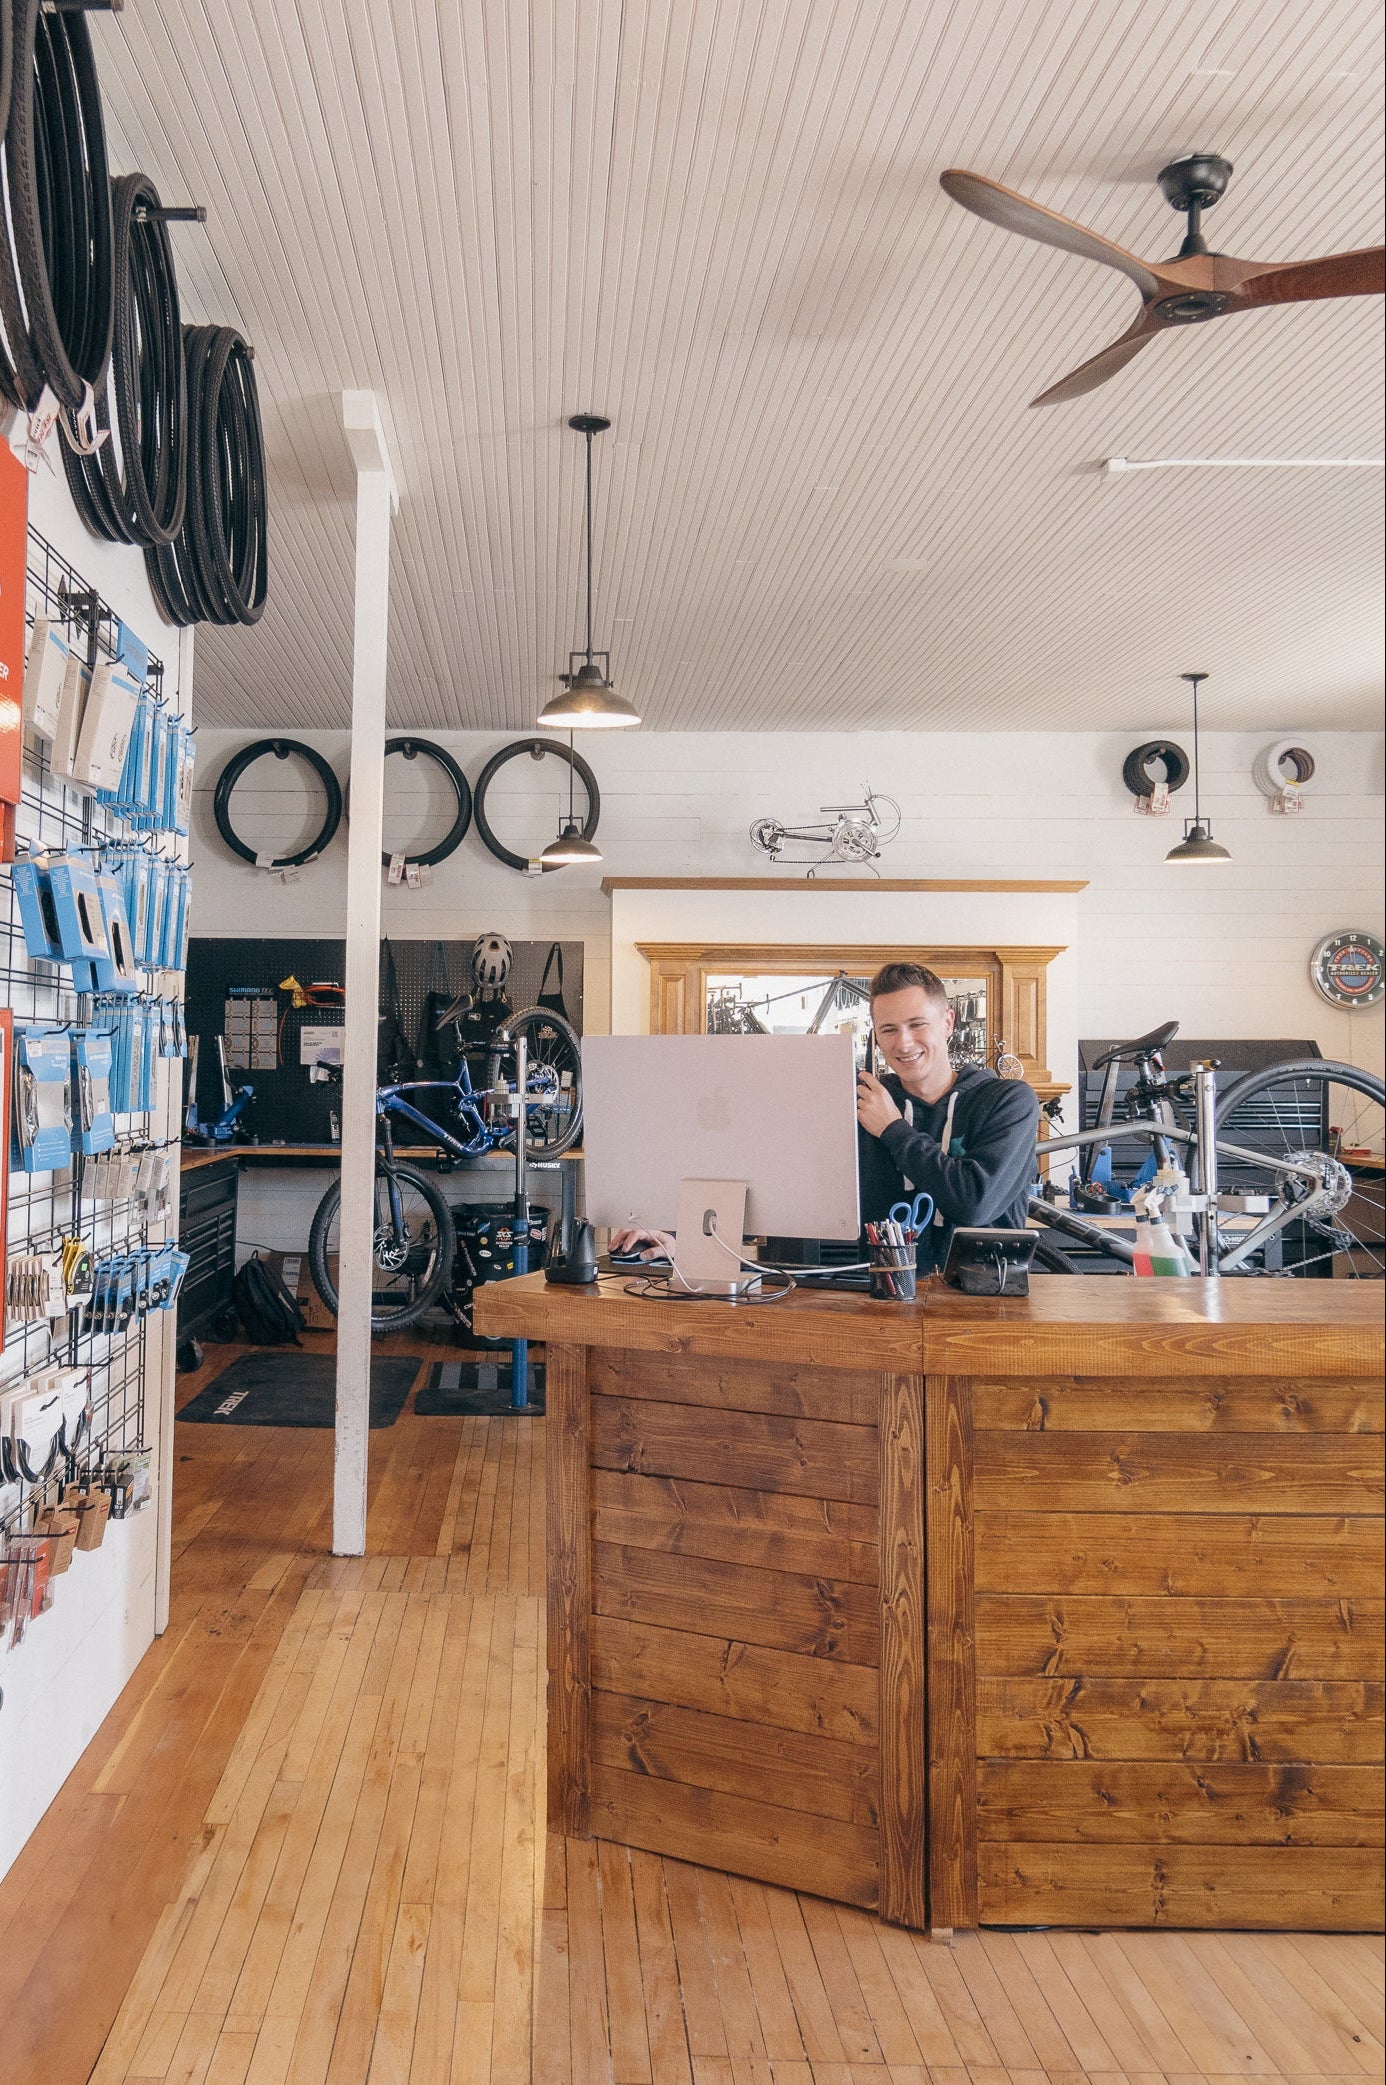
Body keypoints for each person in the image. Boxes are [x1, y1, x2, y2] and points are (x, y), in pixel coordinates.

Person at [611, 960, 1039, 1273]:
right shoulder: (858, 1099)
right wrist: (681, 1234)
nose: (903, 1042)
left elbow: (974, 1203)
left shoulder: (1008, 1101)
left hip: (979, 1300)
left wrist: (893, 1130)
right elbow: (779, 1186)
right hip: (875, 1294)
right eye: (888, 1029)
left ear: (947, 1022)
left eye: (917, 1024)